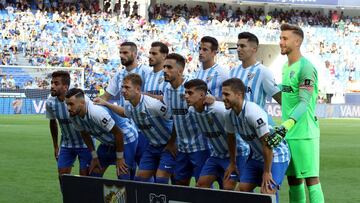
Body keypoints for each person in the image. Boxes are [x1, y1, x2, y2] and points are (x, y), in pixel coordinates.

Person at [266, 23, 324, 203]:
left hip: (304, 133)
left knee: (311, 180)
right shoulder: (285, 67)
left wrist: (286, 125)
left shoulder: (306, 67)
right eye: (280, 38)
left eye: (285, 38)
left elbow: (304, 102)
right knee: (293, 180)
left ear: (297, 41)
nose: (281, 42)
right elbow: (287, 99)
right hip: (288, 133)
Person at [93, 73, 175, 184]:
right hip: (153, 146)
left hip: (168, 145)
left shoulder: (153, 105)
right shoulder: (129, 104)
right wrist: (106, 103)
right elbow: (124, 113)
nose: (123, 90)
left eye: (127, 87)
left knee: (162, 179)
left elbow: (173, 119)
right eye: (122, 87)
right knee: (140, 179)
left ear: (137, 89)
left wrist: (172, 143)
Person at [222, 78, 289, 202]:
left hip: (276, 154)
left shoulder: (253, 112)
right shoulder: (229, 114)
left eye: (227, 94)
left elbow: (267, 143)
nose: (223, 98)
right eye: (222, 94)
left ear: (239, 95)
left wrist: (267, 172)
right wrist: (232, 163)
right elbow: (231, 139)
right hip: (257, 156)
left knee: (267, 191)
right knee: (242, 190)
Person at [184, 79, 247, 190]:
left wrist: (233, 161)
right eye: (185, 92)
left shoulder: (220, 110)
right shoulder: (191, 112)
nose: (186, 96)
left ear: (202, 95)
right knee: (201, 185)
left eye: (190, 93)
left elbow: (235, 134)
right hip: (216, 154)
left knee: (228, 188)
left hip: (237, 154)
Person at [100, 41, 151, 177]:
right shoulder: (119, 75)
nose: (121, 56)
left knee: (146, 173)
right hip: (126, 130)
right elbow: (106, 96)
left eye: (125, 53)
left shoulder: (146, 72)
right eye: (120, 53)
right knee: (124, 171)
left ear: (135, 54)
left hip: (144, 131)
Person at [65, 88, 138, 180]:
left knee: (123, 174)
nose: (68, 108)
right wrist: (94, 157)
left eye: (71, 104)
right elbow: (85, 135)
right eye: (67, 104)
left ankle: (131, 165)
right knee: (94, 174)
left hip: (126, 139)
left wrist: (119, 158)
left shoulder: (96, 112)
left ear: (82, 102)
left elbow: (119, 133)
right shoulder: (73, 115)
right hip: (107, 142)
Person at [163, 53, 210, 186]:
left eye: (169, 67)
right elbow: (175, 120)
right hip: (182, 148)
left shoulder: (192, 88)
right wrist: (172, 141)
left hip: (200, 147)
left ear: (180, 70)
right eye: (164, 66)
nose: (165, 70)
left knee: (202, 186)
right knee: (179, 184)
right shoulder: (167, 90)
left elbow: (208, 110)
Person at [45, 71, 92, 192]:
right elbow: (52, 122)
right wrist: (55, 146)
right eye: (51, 83)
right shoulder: (50, 102)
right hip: (66, 144)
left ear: (65, 87)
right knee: (63, 177)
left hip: (85, 144)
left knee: (85, 180)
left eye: (56, 83)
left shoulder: (81, 99)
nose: (52, 86)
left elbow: (91, 120)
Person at [229, 32, 281, 108]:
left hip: (254, 120)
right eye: (238, 46)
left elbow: (280, 99)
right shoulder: (233, 72)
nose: (238, 49)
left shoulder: (263, 72)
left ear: (254, 49)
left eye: (242, 46)